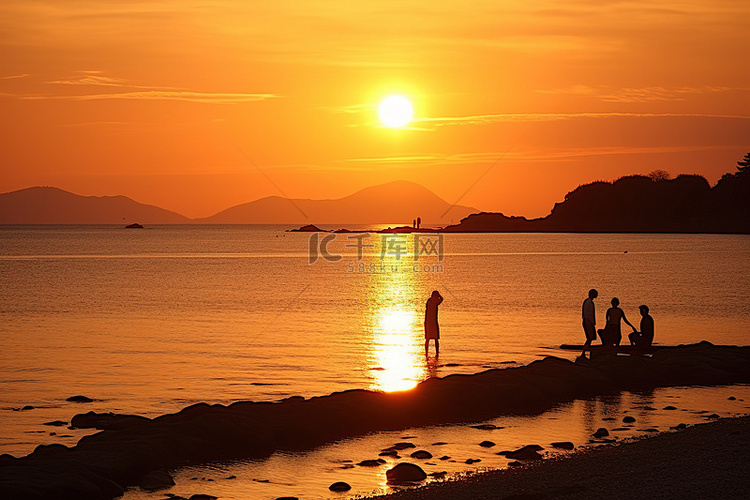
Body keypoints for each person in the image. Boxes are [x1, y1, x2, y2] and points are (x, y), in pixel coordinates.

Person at [424, 290, 443, 356]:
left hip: (428, 322)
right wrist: (439, 295)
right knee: (435, 338)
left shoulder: (429, 301)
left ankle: (427, 353)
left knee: (428, 338)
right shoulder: (434, 302)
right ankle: (436, 353)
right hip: (432, 322)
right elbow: (441, 299)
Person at [580, 289, 598, 358]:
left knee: (590, 338)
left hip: (588, 321)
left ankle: (586, 352)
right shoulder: (589, 302)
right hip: (588, 322)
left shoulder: (587, 301)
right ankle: (584, 352)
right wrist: (592, 322)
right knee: (589, 338)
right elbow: (589, 314)